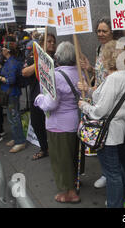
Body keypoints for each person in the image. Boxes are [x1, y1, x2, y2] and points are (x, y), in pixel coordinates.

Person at [80, 17, 125, 188]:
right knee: (104, 143)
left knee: (120, 144)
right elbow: (100, 73)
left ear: (112, 31)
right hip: (101, 95)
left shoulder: (121, 48)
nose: (101, 34)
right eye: (98, 31)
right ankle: (108, 174)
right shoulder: (98, 49)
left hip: (116, 102)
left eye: (104, 30)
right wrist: (89, 70)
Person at [34, 41, 81, 204]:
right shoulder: (79, 73)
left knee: (62, 160)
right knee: (72, 156)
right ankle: (73, 183)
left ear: (58, 57)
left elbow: (50, 104)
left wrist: (39, 99)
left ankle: (70, 192)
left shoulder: (56, 75)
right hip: (75, 122)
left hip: (59, 124)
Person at [22, 33, 57, 160]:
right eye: (48, 41)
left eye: (53, 41)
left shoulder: (57, 58)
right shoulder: (33, 58)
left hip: (52, 99)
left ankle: (55, 148)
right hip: (36, 97)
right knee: (38, 124)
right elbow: (25, 72)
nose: (52, 44)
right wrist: (40, 62)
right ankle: (44, 148)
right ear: (42, 44)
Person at [0, 37, 26, 153]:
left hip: (12, 93)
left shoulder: (13, 62)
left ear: (7, 51)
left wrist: (1, 78)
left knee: (14, 117)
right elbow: (3, 71)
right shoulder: (9, 61)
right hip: (9, 94)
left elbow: (11, 80)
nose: (2, 50)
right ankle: (16, 138)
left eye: (3, 48)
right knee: (11, 117)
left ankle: (20, 141)